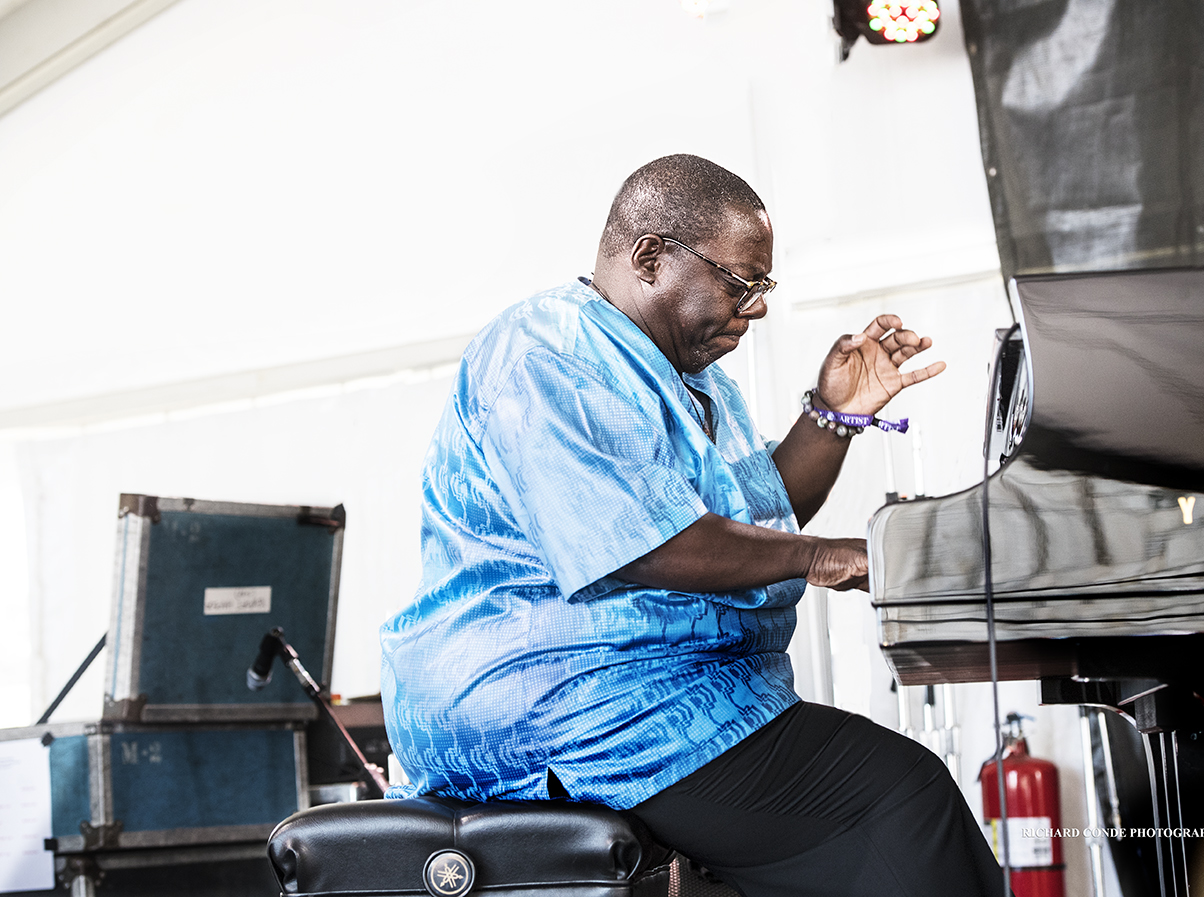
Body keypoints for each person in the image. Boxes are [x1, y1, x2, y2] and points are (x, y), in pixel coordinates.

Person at [380, 154, 1005, 896]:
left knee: (889, 797)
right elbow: (649, 545)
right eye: (741, 282)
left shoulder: (691, 376)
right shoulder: (545, 349)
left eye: (763, 286)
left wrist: (834, 417)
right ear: (650, 257)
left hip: (667, 702)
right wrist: (824, 556)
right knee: (902, 797)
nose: (759, 305)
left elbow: (747, 523)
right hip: (574, 713)